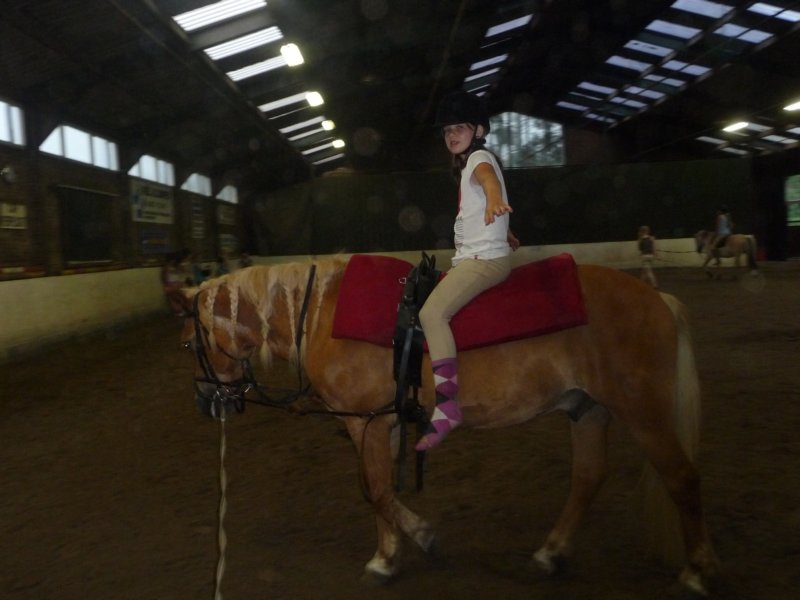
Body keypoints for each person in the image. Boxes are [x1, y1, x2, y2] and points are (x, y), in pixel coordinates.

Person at [415, 90, 516, 452]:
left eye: (459, 127)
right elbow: (479, 205)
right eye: (447, 131)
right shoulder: (469, 163)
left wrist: (494, 198)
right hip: (481, 254)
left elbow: (488, 180)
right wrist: (505, 230)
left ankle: (447, 407)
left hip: (483, 261)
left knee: (431, 314)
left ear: (479, 130)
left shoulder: (478, 159)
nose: (451, 134)